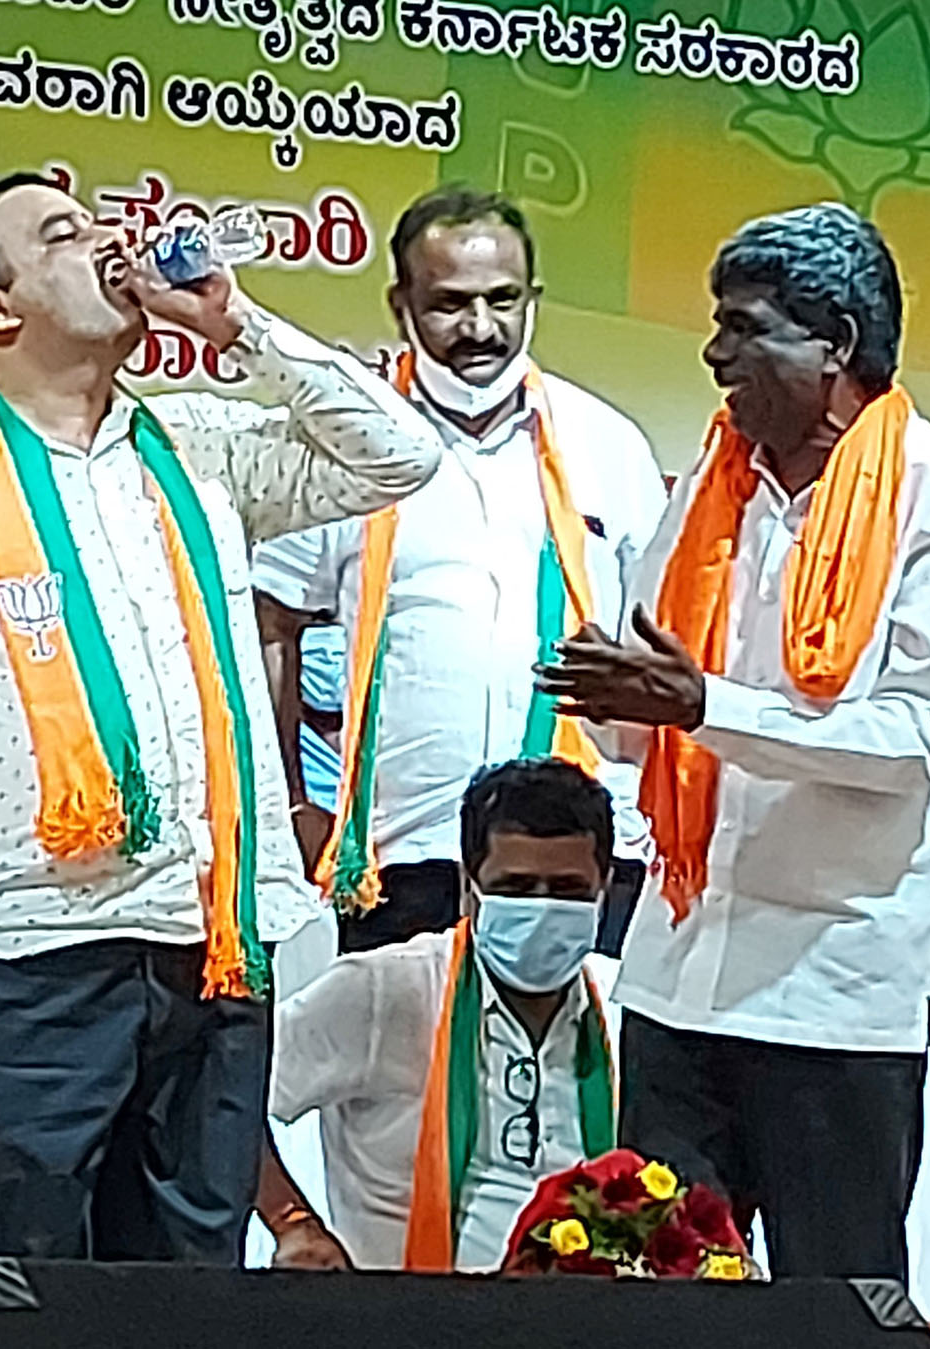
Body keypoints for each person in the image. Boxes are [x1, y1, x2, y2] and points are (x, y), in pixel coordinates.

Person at [0, 173, 441, 1266]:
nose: (108, 240)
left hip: (211, 947)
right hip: (15, 953)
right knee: (21, 1287)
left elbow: (398, 453)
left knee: (187, 1292)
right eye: (63, 233)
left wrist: (233, 323)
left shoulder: (191, 447)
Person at [536, 203, 930, 1279]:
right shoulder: (712, 490)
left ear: (835, 343)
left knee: (830, 1305)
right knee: (651, 1292)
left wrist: (701, 705)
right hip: (676, 978)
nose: (715, 355)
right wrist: (615, 697)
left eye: (744, 328)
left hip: (832, 995)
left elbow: (915, 740)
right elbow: (645, 731)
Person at [253, 187, 668, 954]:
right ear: (400, 304)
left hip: (584, 860)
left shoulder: (608, 444)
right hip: (405, 854)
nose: (480, 327)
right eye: (450, 303)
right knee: (399, 1036)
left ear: (533, 296)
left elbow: (660, 638)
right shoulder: (342, 445)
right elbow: (271, 625)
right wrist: (293, 810)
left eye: (502, 299)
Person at [257, 758, 617, 1272]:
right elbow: (229, 1103)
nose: (541, 911)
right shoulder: (382, 991)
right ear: (469, 887)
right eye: (515, 888)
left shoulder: (622, 1009)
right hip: (406, 1308)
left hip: (586, 1309)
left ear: (605, 889)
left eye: (568, 892)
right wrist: (293, 1223)